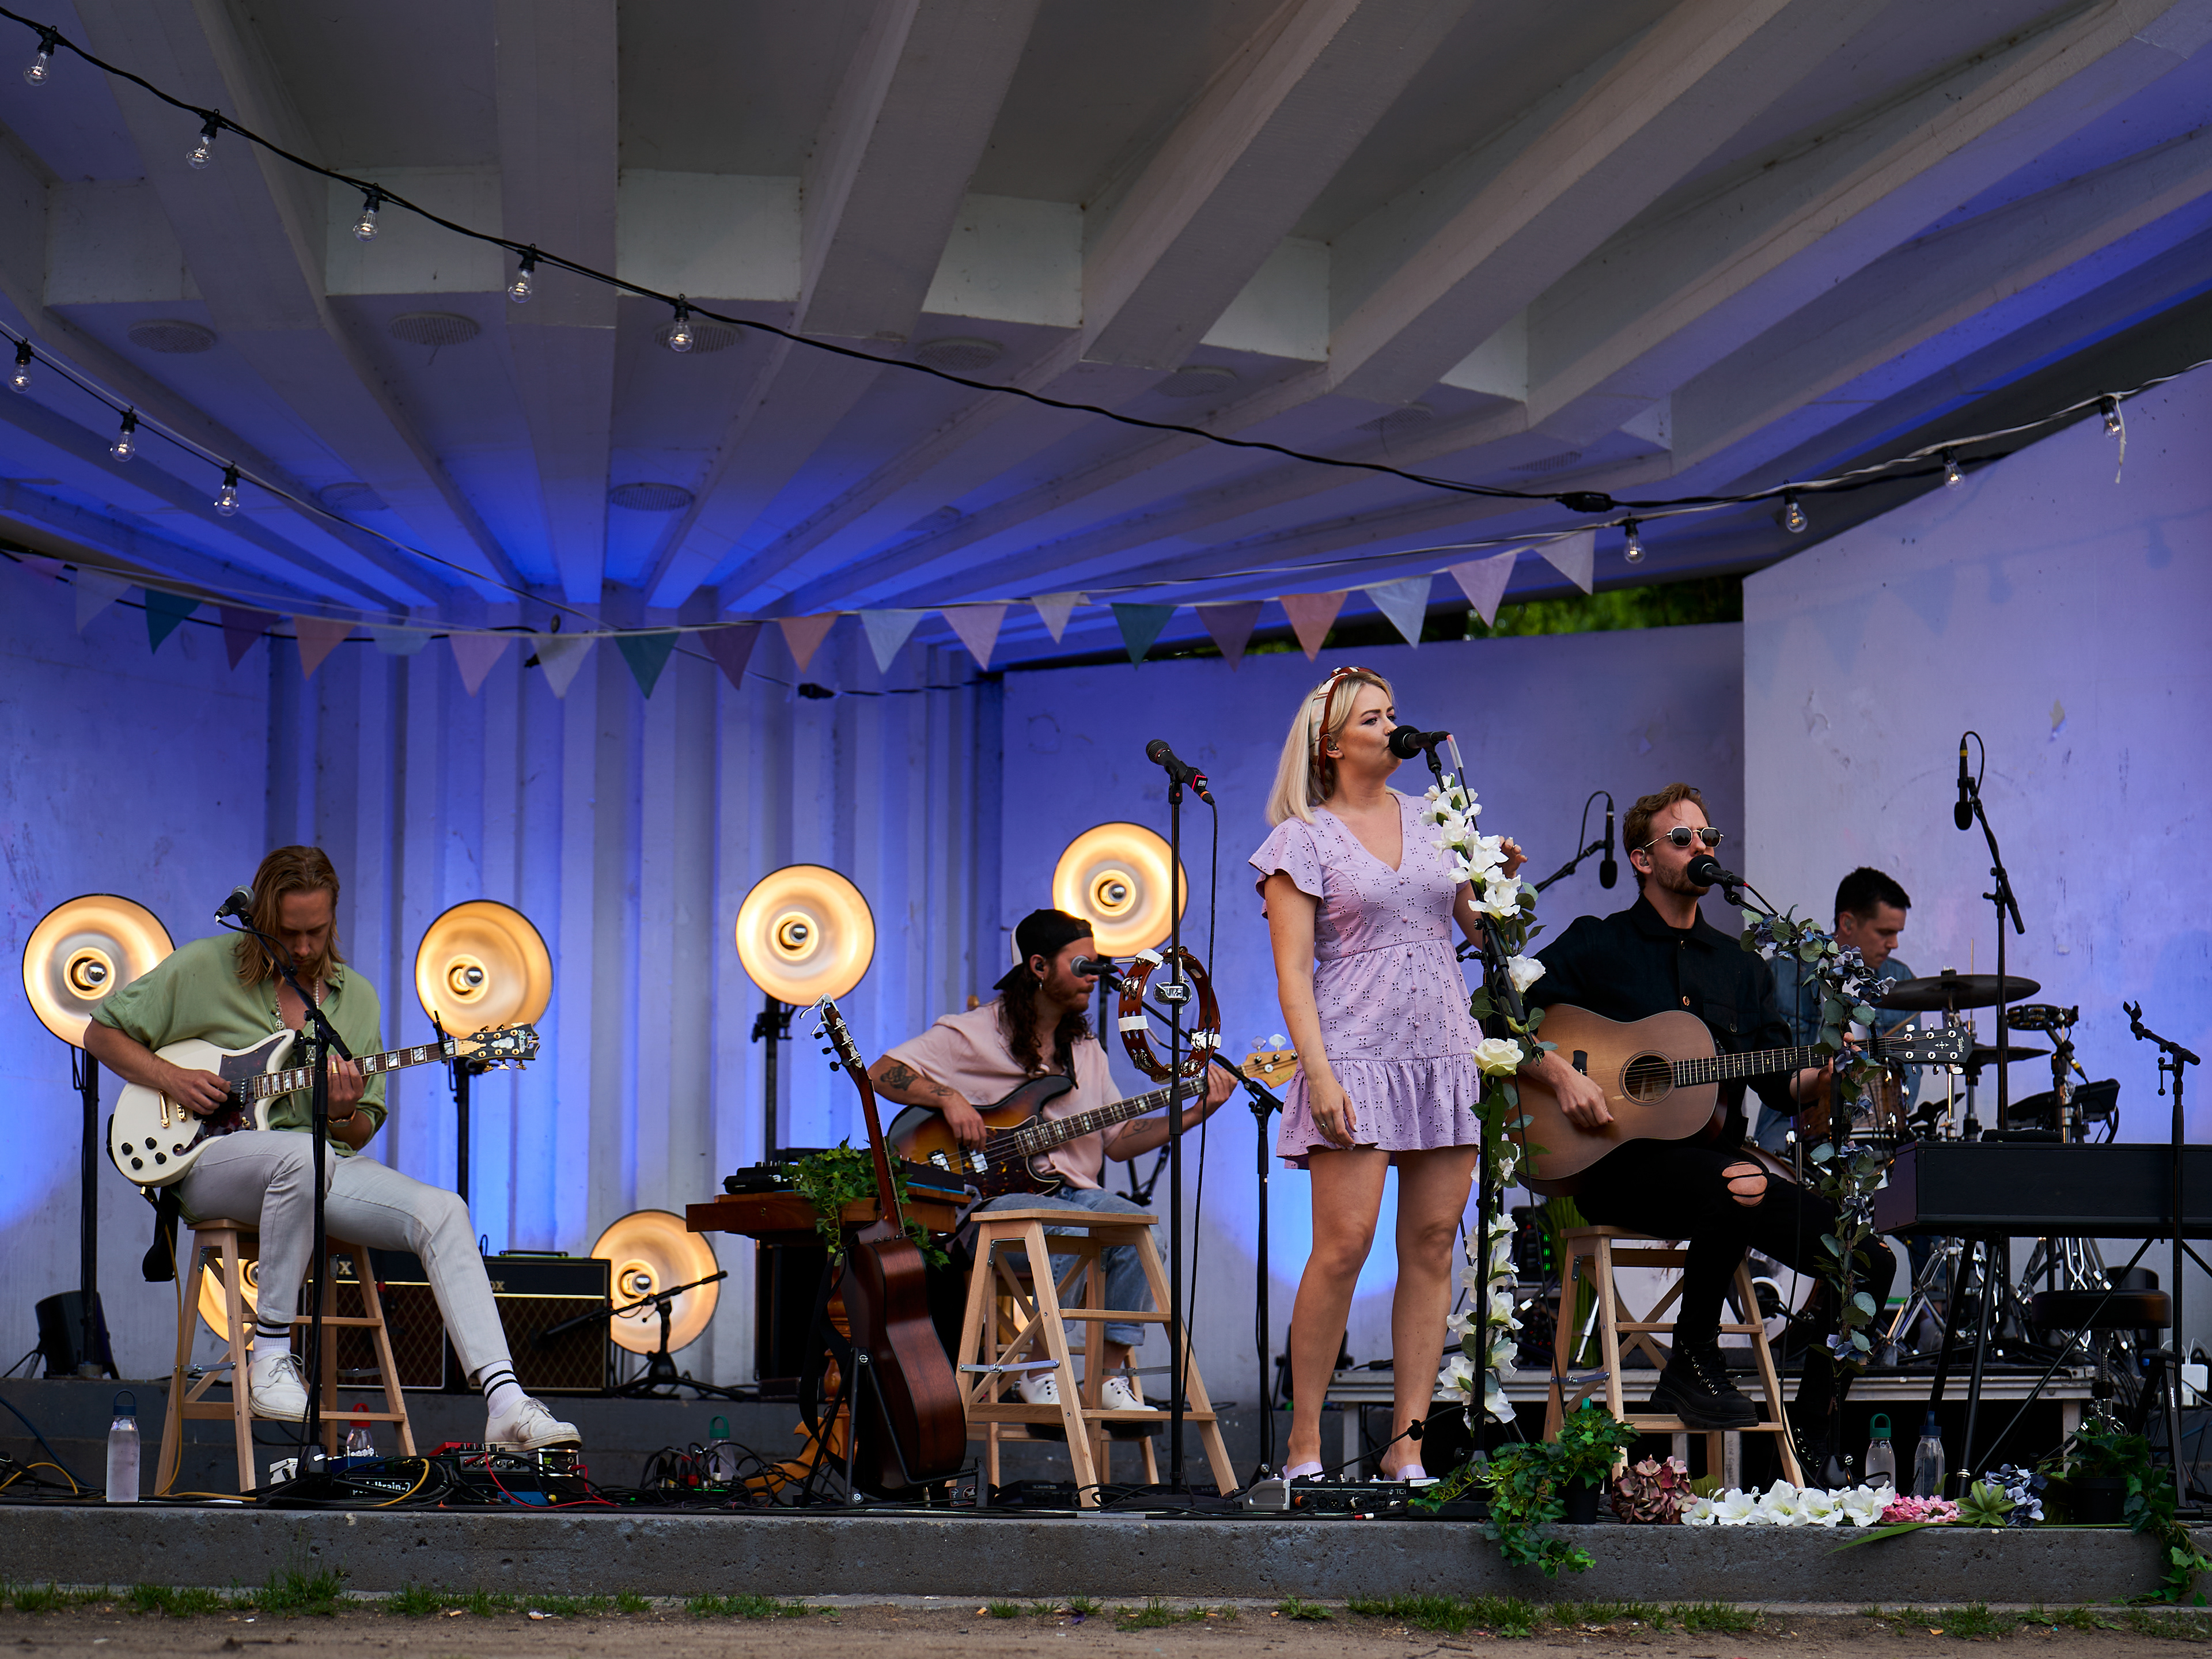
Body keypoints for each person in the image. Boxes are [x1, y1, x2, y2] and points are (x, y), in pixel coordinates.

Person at [85, 846, 579, 1450]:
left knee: (442, 1211)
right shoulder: (202, 967)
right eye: (288, 931)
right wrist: (172, 1078)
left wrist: (342, 1112)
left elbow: (362, 1127)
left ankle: (506, 1403)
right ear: (261, 916)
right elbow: (100, 1033)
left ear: (333, 919)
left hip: (314, 1165)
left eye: (315, 932)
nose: (302, 947)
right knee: (302, 1159)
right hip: (206, 1160)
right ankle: (270, 1358)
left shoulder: (355, 999)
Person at [1520, 784, 1893, 1472]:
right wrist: (1563, 1077)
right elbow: (1501, 1017)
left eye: (1708, 837)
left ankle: (1815, 1427)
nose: (1701, 847)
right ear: (1642, 858)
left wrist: (1828, 1074)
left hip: (1719, 1173)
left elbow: (1780, 1084)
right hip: (1615, 1167)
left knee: (1869, 1260)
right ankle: (1693, 1360)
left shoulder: (1742, 967)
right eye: (1682, 838)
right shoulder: (1598, 944)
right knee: (1740, 1181)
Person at [1251, 666, 1524, 1483]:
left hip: (1442, 1051)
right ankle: (1304, 1445)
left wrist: (1502, 881)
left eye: (1393, 714)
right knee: (1344, 1247)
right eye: (1372, 719)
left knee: (1434, 1246)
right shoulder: (1302, 839)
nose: (1391, 727)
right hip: (1354, 1056)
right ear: (1332, 745)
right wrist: (1320, 1074)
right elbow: (1293, 974)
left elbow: (1478, 930)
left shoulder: (1438, 818)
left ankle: (1408, 1446)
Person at [866, 907, 1236, 1411]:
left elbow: (1118, 1140)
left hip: (1069, 1195)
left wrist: (1195, 1113)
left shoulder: (1085, 1049)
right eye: (1081, 965)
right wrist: (948, 1098)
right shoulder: (974, 1033)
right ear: (1039, 966)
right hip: (982, 1207)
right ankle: (1039, 1371)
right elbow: (881, 1072)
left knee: (1141, 1232)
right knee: (1069, 1225)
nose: (1093, 976)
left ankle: (1106, 1378)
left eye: (1096, 965)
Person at [1754, 866, 1922, 1156]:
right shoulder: (1780, 975)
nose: (1894, 944)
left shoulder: (1901, 980)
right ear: (1847, 922)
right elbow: (1767, 1071)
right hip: (1789, 1121)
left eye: (1897, 933)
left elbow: (1908, 1078)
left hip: (1875, 1126)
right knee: (1765, 1174)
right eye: (1885, 932)